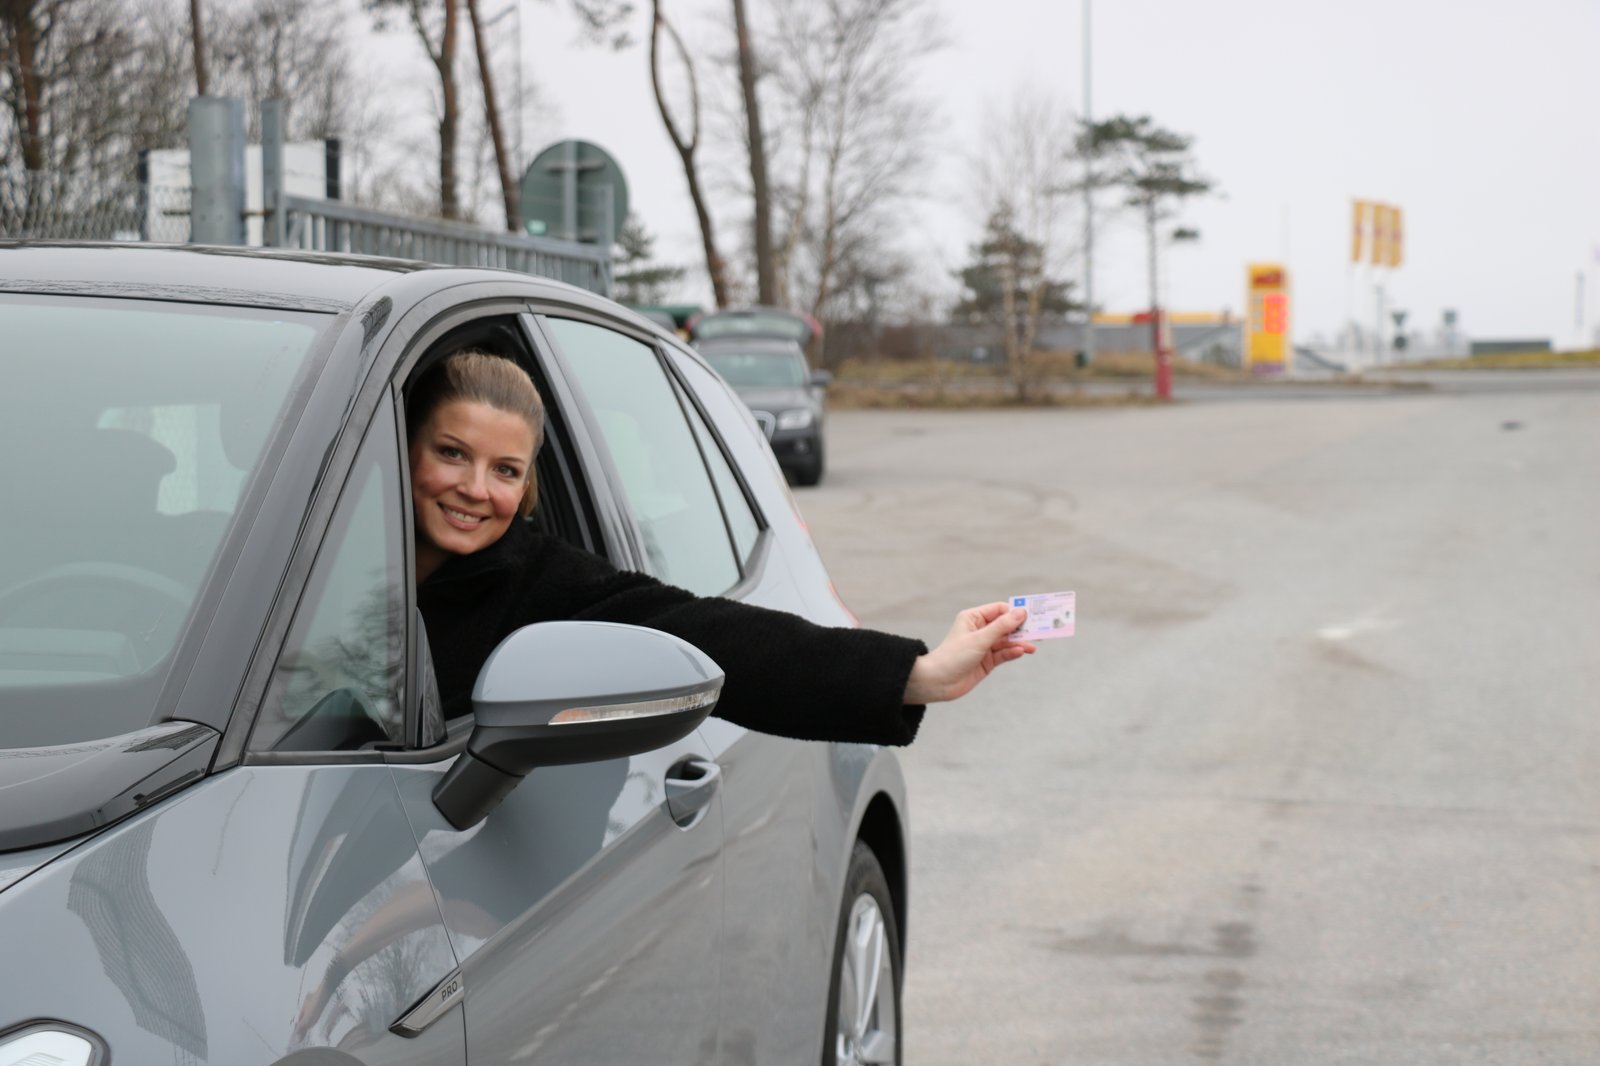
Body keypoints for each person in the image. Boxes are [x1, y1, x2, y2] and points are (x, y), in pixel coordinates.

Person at [408, 350, 1034, 747]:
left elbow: (719, 640)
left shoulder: (541, 582)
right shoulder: (319, 545)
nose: (474, 489)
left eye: (506, 470)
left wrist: (917, 677)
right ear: (405, 446)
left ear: (529, 482)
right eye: (452, 453)